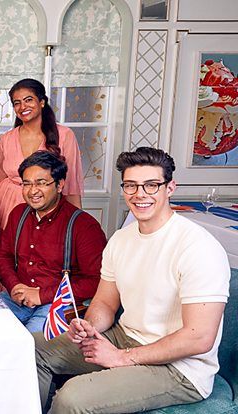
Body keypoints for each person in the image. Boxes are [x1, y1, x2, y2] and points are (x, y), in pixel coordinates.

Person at [36, 147, 230, 413]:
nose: (140, 195)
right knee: (30, 349)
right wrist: (88, 326)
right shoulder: (121, 239)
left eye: (151, 185)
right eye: (131, 185)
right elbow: (105, 303)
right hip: (124, 337)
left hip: (180, 368)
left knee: (72, 398)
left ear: (170, 188)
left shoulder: (198, 247)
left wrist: (120, 358)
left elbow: (199, 338)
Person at [0, 151, 105, 333]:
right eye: (27, 184)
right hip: (16, 298)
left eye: (41, 183)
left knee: (30, 347)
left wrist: (41, 295)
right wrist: (14, 285)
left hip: (57, 305)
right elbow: (2, 255)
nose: (32, 191)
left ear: (60, 185)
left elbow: (95, 281)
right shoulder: (18, 214)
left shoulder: (84, 225)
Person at [0, 78, 84, 230]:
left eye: (28, 100)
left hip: (48, 204)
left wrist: (77, 224)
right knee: (8, 250)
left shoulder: (65, 135)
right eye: (17, 103)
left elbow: (71, 185)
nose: (22, 106)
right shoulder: (6, 138)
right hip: (8, 205)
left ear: (42, 102)